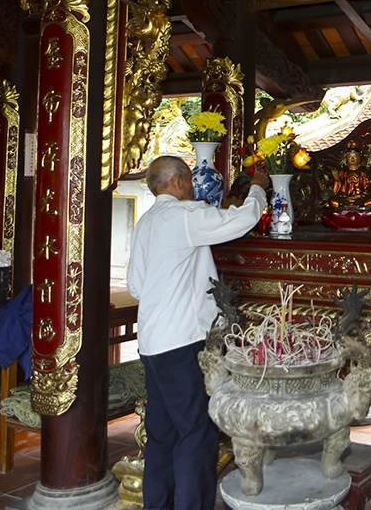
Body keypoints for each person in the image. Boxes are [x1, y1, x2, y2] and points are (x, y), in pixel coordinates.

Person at [127, 155, 269, 510]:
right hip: (181, 343)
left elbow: (136, 286)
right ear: (176, 183)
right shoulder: (183, 216)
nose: (192, 188)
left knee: (162, 434)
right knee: (196, 432)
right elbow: (240, 220)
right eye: (189, 181)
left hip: (152, 343)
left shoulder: (145, 222)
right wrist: (258, 189)